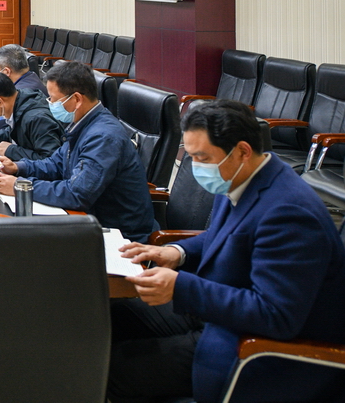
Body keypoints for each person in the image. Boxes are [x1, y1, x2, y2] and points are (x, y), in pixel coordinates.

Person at [108, 101, 345, 403]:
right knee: (109, 319)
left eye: (202, 157)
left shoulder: (290, 214)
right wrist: (178, 252)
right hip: (219, 308)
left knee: (110, 370)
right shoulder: (241, 177)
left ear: (242, 151)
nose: (196, 167)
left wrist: (180, 286)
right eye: (191, 156)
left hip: (255, 346)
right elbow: (227, 235)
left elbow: (275, 315)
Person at [0, 60, 154, 242]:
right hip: (89, 221)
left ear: (76, 99)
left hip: (120, 236)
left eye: (54, 99)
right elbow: (56, 163)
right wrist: (19, 167)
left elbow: (78, 194)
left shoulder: (103, 137)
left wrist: (21, 186)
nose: (50, 104)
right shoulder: (82, 124)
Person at [0, 70, 63, 160]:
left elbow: (51, 160)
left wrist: (11, 151)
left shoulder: (37, 119)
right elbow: (19, 131)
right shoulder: (19, 100)